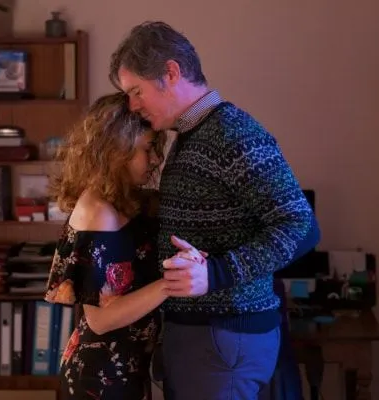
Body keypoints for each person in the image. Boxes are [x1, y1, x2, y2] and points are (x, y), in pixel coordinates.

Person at [110, 21, 320, 399]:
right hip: (208, 334)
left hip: (223, 334)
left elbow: (301, 226)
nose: (133, 105)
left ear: (171, 73)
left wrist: (216, 273)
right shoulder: (193, 134)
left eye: (136, 91)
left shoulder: (231, 133)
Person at [44, 92, 172, 399]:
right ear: (117, 149)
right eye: (147, 149)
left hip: (121, 369)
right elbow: (101, 319)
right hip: (100, 377)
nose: (156, 159)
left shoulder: (121, 200)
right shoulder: (98, 210)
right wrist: (171, 284)